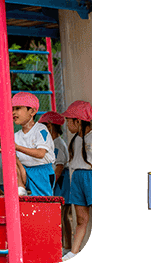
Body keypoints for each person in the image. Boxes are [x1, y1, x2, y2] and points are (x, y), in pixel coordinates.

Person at [59, 100, 93, 262]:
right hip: (77, 178)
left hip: (91, 177)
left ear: (78, 121)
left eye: (69, 121)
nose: (67, 125)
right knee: (81, 219)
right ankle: (74, 251)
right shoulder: (75, 139)